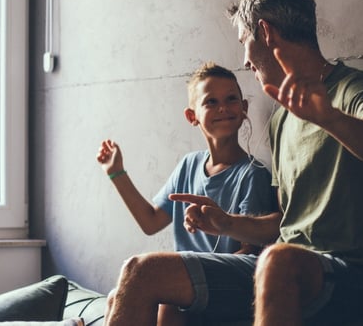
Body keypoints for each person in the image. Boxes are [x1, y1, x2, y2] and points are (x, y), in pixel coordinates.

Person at [104, 0, 363, 326]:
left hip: (353, 275)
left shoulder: (353, 88)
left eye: (243, 40)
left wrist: (329, 118)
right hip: (283, 267)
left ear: (266, 33)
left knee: (277, 260)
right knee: (140, 271)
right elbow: (282, 222)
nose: (245, 60)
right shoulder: (280, 120)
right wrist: (227, 223)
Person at [96, 61, 276, 326]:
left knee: (169, 303)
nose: (223, 108)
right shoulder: (189, 165)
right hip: (188, 282)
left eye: (231, 99)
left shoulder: (252, 174)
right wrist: (116, 173)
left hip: (227, 286)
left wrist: (186, 274)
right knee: (115, 297)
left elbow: (250, 251)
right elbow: (150, 221)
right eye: (211, 102)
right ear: (192, 117)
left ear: (244, 108)